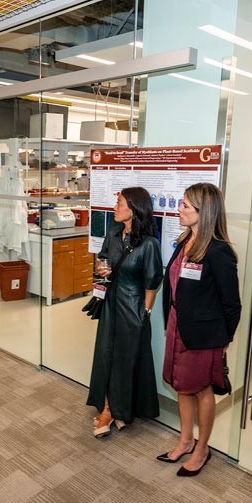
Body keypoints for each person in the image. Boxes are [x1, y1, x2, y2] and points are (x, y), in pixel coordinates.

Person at [157, 183, 241, 476]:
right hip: (178, 326)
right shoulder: (184, 242)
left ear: (204, 213)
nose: (179, 209)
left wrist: (223, 340)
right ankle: (185, 440)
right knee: (181, 385)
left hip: (204, 336)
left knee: (202, 390)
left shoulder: (219, 252)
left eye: (185, 206)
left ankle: (202, 448)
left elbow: (232, 304)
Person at [87, 187, 163, 437]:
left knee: (127, 360)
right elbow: (102, 261)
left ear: (133, 208)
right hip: (110, 302)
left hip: (133, 307)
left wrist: (146, 311)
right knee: (106, 356)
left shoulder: (149, 244)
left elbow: (153, 281)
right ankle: (109, 408)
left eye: (119, 203)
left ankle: (121, 409)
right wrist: (101, 269)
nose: (115, 207)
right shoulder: (112, 233)